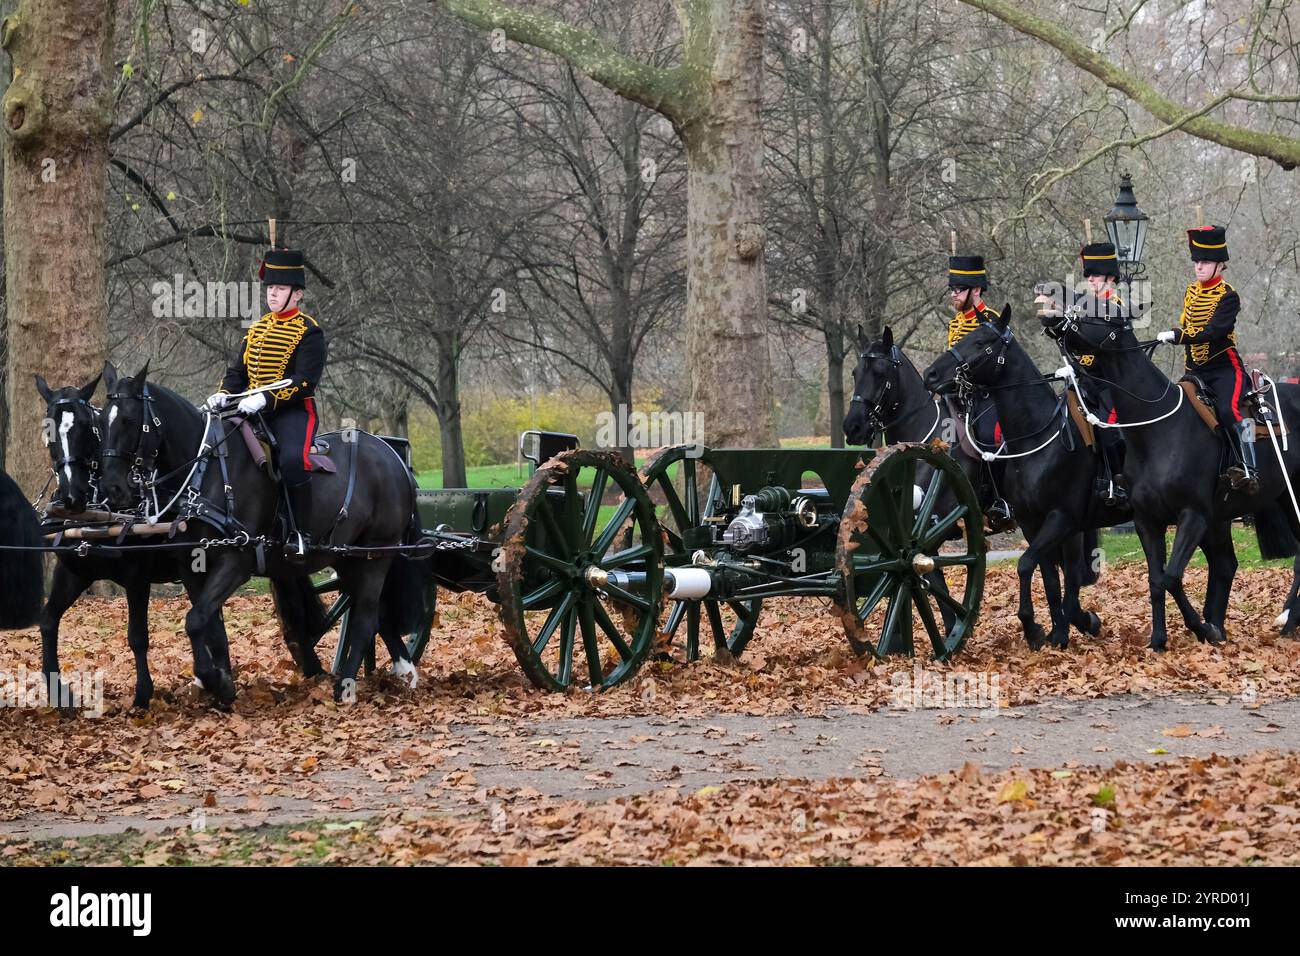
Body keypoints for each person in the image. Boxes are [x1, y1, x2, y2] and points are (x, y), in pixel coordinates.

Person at [207, 247, 328, 556]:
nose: (273, 294)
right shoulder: (257, 328)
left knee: (291, 460)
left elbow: (304, 382)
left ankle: (303, 534)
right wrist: (224, 392)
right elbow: (239, 372)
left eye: (280, 288)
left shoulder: (309, 332)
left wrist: (265, 398)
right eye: (270, 288)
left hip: (292, 412)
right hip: (250, 410)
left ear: (298, 294)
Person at [1155, 224, 1257, 493]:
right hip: (1194, 371)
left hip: (1224, 368)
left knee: (1228, 410)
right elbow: (1187, 323)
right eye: (1197, 262)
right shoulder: (1190, 292)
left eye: (1205, 262)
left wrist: (1179, 336)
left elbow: (1216, 331)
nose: (1199, 267)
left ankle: (1248, 467)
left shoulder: (1228, 296)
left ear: (1220, 265)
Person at [946, 253, 1012, 530]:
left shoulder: (992, 320)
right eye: (952, 290)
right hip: (958, 397)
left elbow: (1001, 362)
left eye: (958, 290)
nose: (953, 295)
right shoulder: (954, 324)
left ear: (975, 291)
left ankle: (998, 499)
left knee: (988, 436)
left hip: (987, 395)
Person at [1074, 241, 1129, 506]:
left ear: (1109, 277)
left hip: (1110, 382)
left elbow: (1106, 345)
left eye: (1095, 275)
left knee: (1108, 431)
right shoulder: (1084, 307)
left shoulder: (1116, 307)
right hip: (1085, 380)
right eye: (1089, 275)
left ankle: (1119, 480)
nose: (1091, 280)